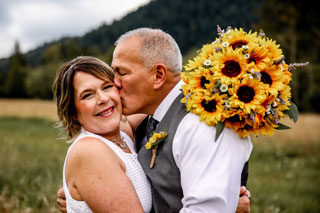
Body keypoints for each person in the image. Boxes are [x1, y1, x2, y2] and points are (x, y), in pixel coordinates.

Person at [57, 28, 252, 212]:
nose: (115, 85)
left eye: (120, 74)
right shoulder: (141, 120)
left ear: (158, 75)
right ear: (72, 111)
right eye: (87, 95)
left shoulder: (201, 121)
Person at [53, 56, 152, 212]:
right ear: (73, 112)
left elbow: (157, 100)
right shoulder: (90, 152)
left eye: (107, 87)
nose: (103, 99)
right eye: (87, 95)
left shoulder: (122, 133)